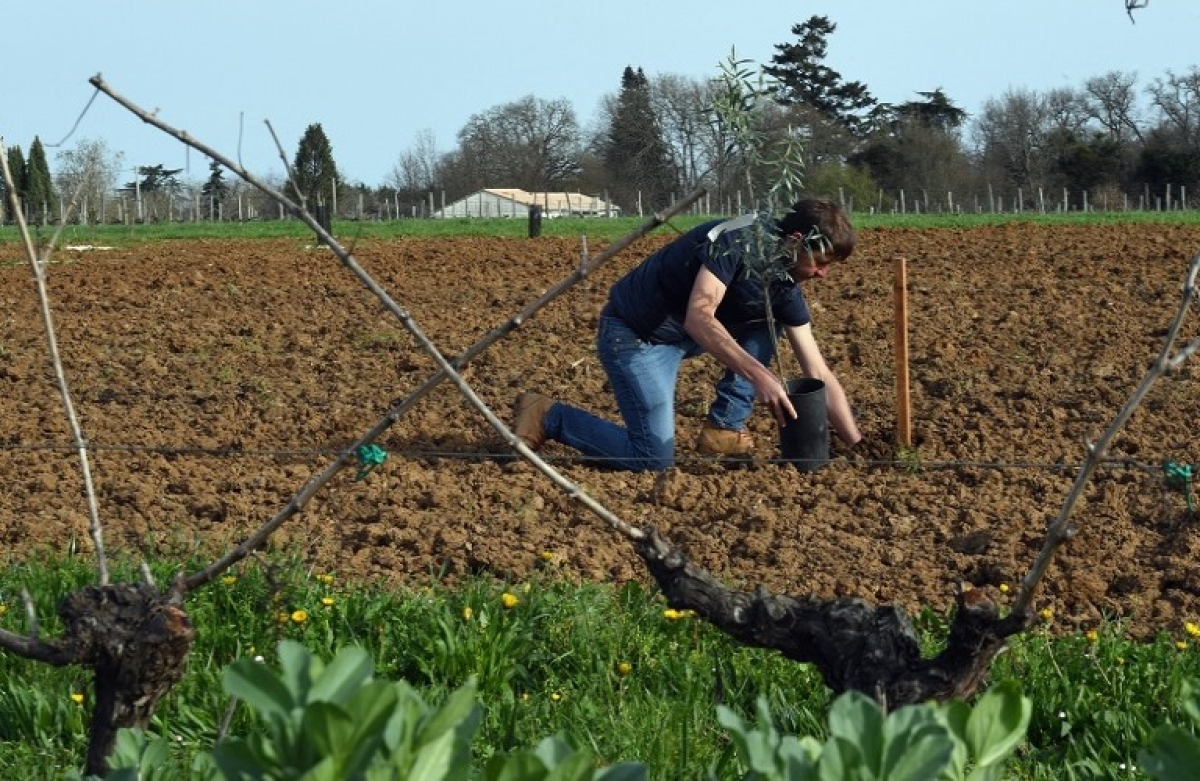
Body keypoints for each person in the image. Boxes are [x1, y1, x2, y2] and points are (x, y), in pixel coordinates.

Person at [512, 198, 864, 472]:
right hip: (637, 336)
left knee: (767, 319)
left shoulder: (785, 284)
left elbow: (817, 372)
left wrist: (856, 445)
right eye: (820, 262)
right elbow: (699, 317)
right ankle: (548, 414)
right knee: (651, 459)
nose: (823, 274)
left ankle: (724, 427)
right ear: (795, 241)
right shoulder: (736, 242)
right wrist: (760, 376)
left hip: (684, 336)